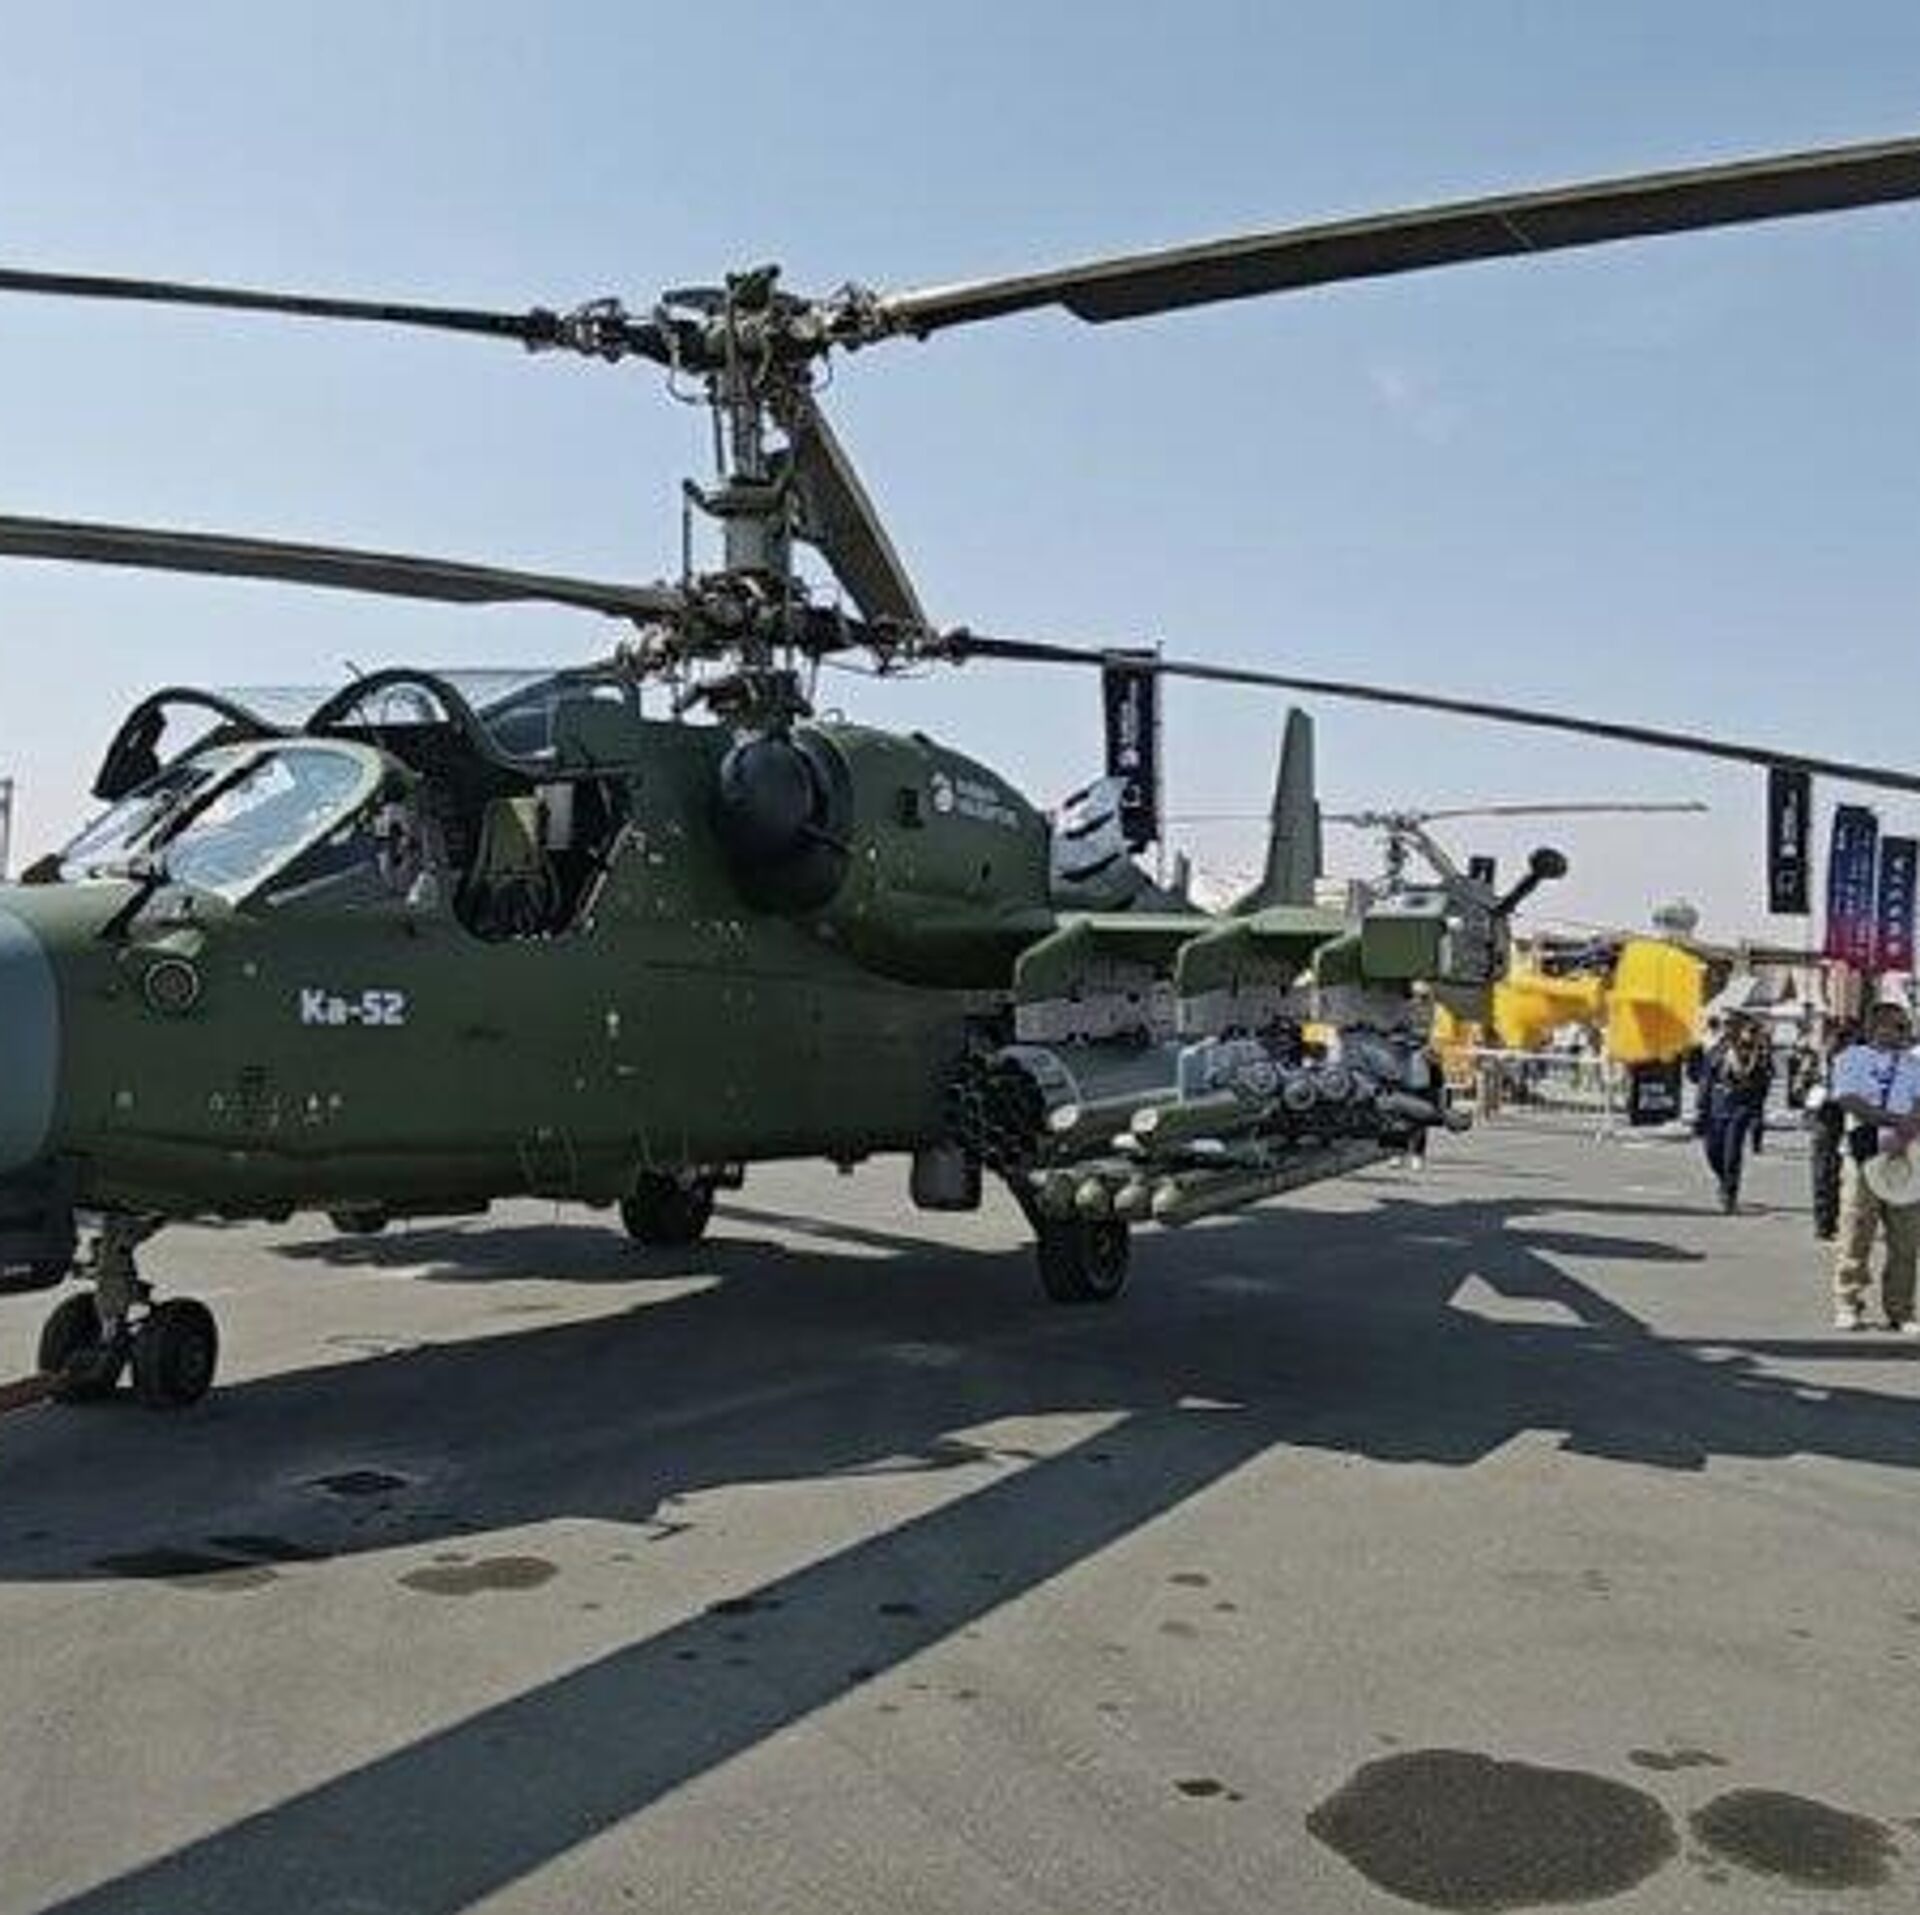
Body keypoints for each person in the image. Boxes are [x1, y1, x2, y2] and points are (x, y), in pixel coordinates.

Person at [1828, 998, 1920, 1332]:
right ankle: (1848, 1302)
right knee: (1856, 1231)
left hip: (1904, 1155)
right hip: (1863, 1152)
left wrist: (1907, 1130)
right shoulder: (1851, 1058)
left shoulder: (1913, 1064)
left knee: (1905, 1239)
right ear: (1876, 1028)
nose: (1905, 1032)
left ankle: (1901, 1310)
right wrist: (1895, 1121)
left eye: (1906, 1026)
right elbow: (1849, 1100)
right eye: (1899, 1026)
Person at [1694, 1012, 1771, 1213]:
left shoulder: (1757, 1054)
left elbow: (1763, 1085)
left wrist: (1756, 1112)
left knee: (1732, 1153)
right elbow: (1705, 1081)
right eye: (1727, 1026)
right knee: (1712, 1151)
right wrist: (1700, 1109)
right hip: (1716, 1107)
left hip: (1741, 1107)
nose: (1730, 1029)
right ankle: (1724, 1179)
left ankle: (1730, 1193)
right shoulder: (1717, 1051)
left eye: (1734, 1026)